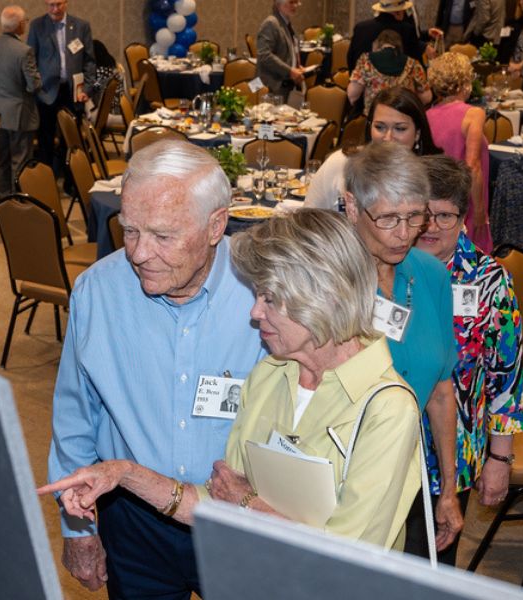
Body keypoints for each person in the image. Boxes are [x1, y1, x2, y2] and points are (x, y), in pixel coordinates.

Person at [41, 209, 425, 552]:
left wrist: (248, 505)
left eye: (270, 298)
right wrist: (122, 473)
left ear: (325, 297)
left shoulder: (387, 409)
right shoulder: (272, 374)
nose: (255, 313)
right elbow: (216, 500)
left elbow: (346, 559)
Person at [46, 139, 268, 597]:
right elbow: (74, 417)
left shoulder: (265, 293)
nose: (139, 253)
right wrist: (77, 529)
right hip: (134, 520)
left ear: (216, 225)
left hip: (236, 517)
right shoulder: (97, 292)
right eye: (130, 231)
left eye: (163, 236)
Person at [338, 143, 465, 559]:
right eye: (389, 218)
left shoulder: (430, 275)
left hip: (414, 478)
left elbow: (441, 391)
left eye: (415, 217)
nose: (405, 233)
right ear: (352, 207)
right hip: (342, 483)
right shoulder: (330, 281)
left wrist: (449, 488)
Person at [414, 154, 523, 565]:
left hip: (452, 452)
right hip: (384, 445)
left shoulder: (490, 280)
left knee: (431, 566)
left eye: (444, 215)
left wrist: (500, 458)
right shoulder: (387, 268)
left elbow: (506, 376)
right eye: (420, 213)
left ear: (464, 217)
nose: (429, 227)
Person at [303, 88, 440, 211]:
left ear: (417, 133)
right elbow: (308, 222)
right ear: (370, 127)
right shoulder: (341, 163)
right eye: (380, 127)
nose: (388, 137)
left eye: (400, 129)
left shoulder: (432, 177)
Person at [426, 52, 492, 253]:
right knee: (471, 262)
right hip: (466, 199)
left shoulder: (426, 115)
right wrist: (480, 210)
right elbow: (473, 164)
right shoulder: (473, 114)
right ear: (466, 82)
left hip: (434, 199)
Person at [27, 0, 95, 169]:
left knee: (71, 139)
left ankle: (71, 180)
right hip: (47, 91)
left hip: (74, 91)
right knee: (45, 139)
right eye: (51, 5)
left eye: (58, 4)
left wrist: (87, 88)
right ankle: (47, 179)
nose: (55, 9)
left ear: (66, 3)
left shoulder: (81, 26)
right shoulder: (37, 25)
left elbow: (89, 61)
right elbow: (30, 60)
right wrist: (37, 88)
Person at [0, 6, 41, 198]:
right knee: (20, 161)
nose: (25, 24)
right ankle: (19, 201)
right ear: (19, 25)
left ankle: (3, 200)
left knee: (0, 160)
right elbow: (34, 86)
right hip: (19, 114)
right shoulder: (24, 51)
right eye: (25, 21)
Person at [347, 30, 431, 115]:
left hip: (375, 117)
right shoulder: (413, 63)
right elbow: (427, 97)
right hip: (403, 116)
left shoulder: (366, 60)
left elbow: (353, 94)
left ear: (377, 43)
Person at [349, 0, 433, 70]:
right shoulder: (406, 30)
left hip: (360, 85)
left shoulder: (360, 28)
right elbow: (414, 66)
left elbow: (351, 59)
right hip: (394, 89)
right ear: (398, 12)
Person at [257, 0, 304, 103]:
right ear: (279, 5)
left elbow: (290, 51)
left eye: (296, 2)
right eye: (291, 2)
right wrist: (290, 71)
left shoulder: (286, 23)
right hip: (272, 87)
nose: (295, 6)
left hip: (284, 84)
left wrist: (296, 66)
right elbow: (264, 55)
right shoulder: (271, 23)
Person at [432, 0, 504, 48]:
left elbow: (483, 18)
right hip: (448, 28)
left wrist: (474, 33)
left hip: (476, 33)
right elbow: (441, 8)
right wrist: (438, 25)